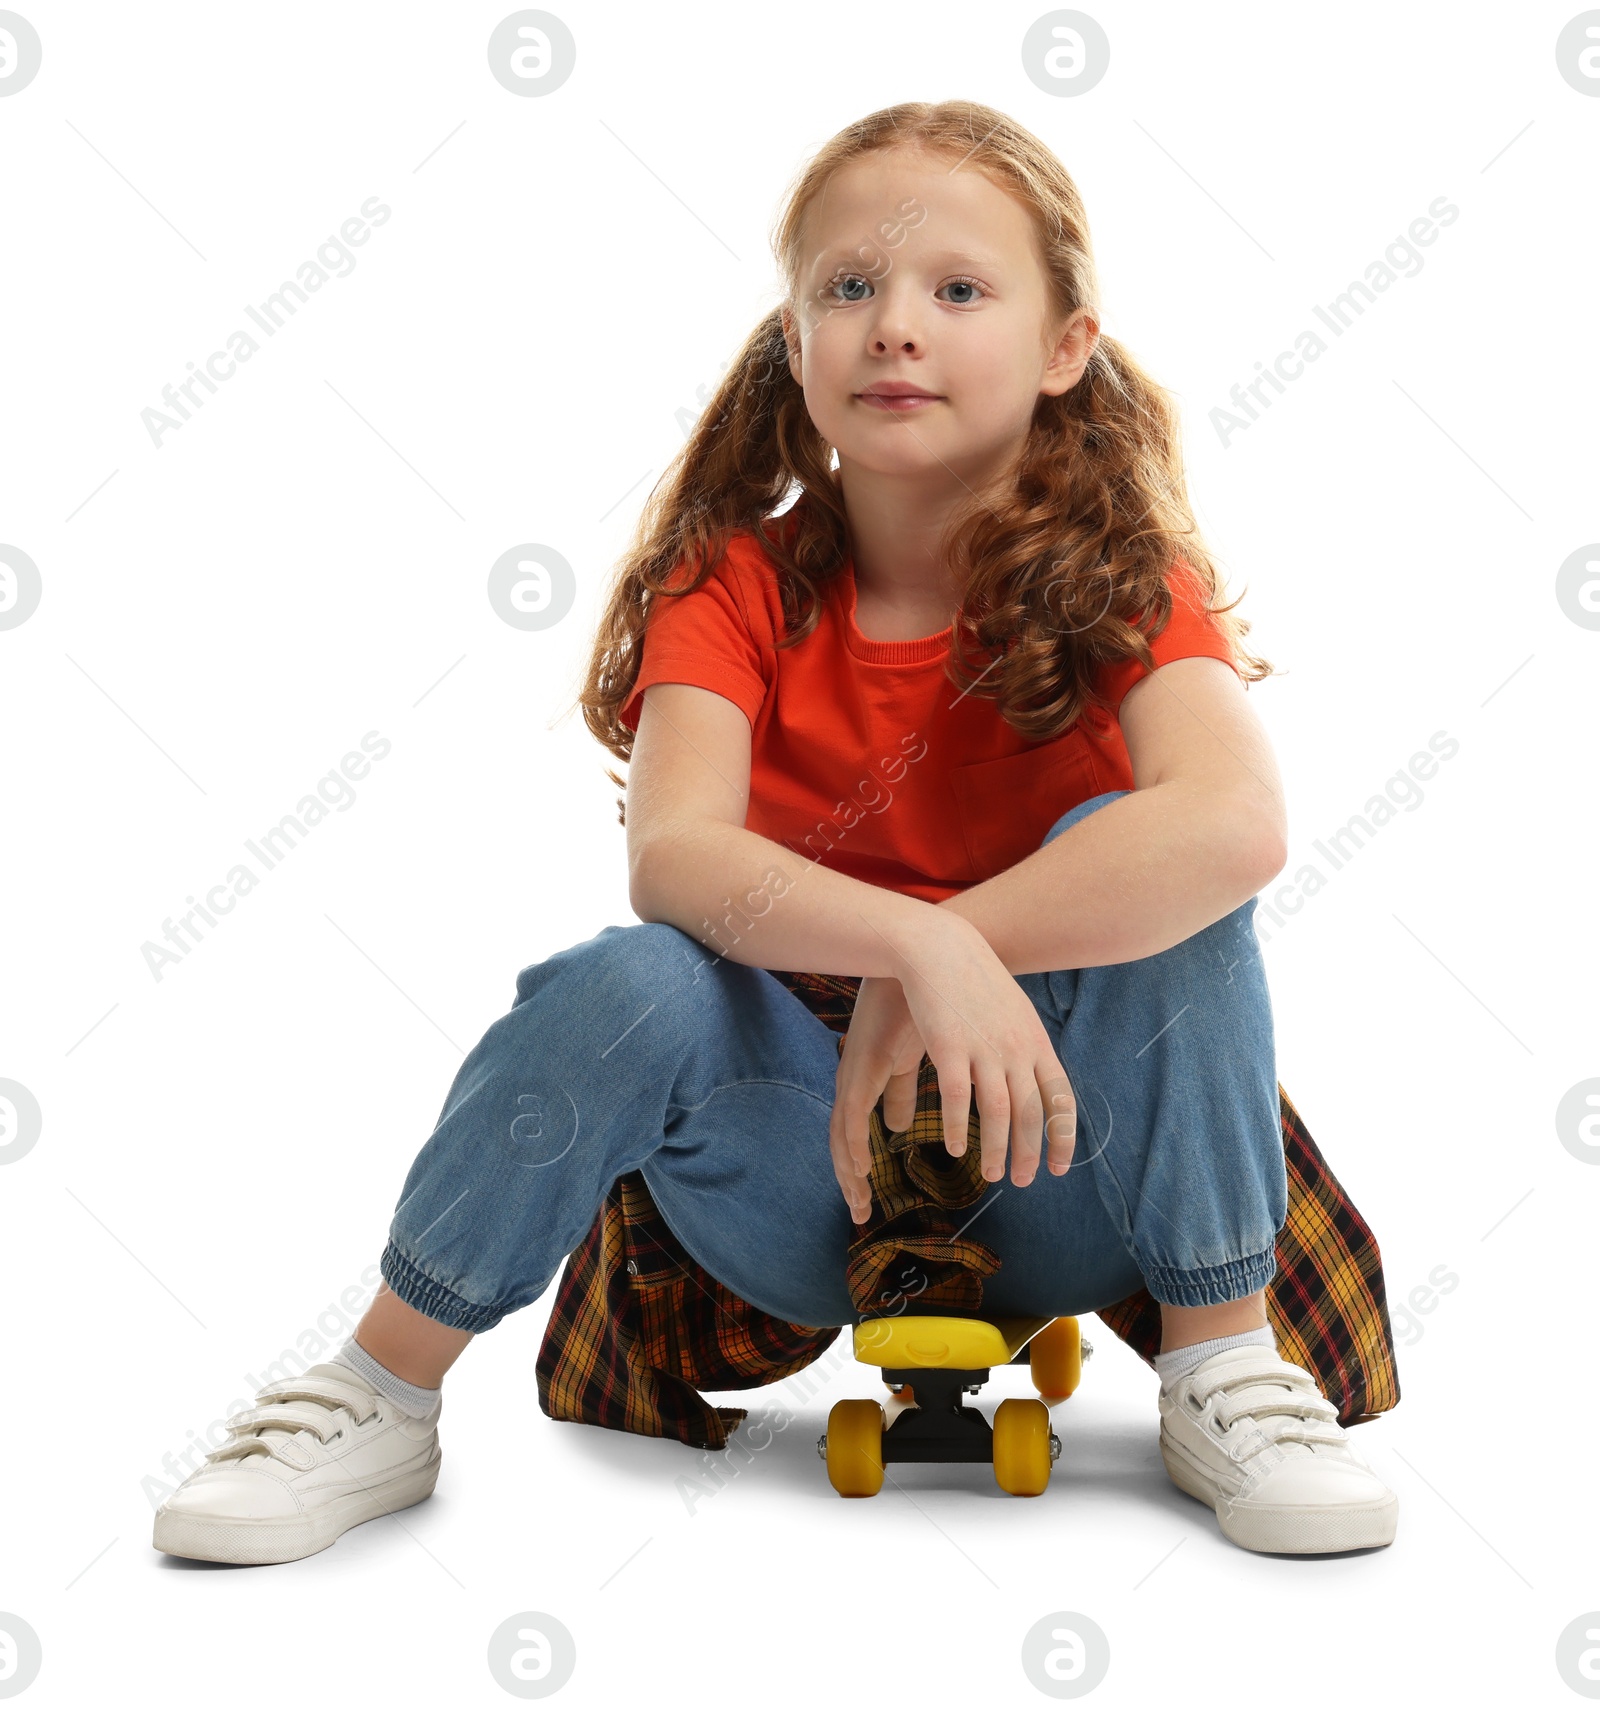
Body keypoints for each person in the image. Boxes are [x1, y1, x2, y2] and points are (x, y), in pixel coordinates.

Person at [153, 98, 1398, 1566]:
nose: (895, 328)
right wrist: (906, 943)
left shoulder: (1126, 582)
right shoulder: (732, 585)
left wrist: (946, 955)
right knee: (624, 979)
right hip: (802, 1167)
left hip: (1066, 1155)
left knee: (1160, 857)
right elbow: (675, 857)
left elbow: (1238, 825)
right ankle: (375, 1393)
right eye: (848, 289)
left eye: (958, 288)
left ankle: (1223, 1368)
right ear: (794, 340)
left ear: (1067, 346)